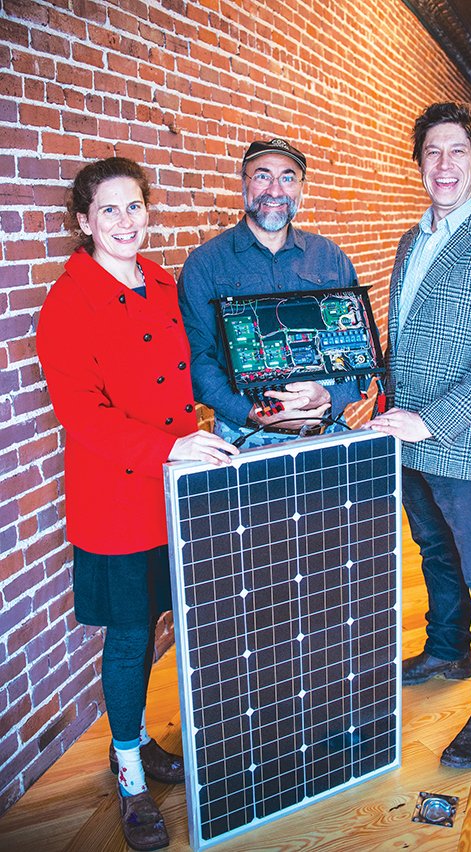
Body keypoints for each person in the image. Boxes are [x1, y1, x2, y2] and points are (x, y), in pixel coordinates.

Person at [36, 157, 238, 851]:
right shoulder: (68, 302)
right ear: (85, 222)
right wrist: (172, 448)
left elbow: (185, 376)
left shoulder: (160, 281)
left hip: (176, 494)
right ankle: (127, 770)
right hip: (117, 500)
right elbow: (82, 416)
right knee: (129, 638)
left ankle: (149, 739)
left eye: (135, 208)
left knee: (173, 627)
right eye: (110, 210)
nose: (126, 222)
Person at [369, 102, 471, 768]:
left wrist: (430, 419)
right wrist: (378, 395)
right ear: (420, 162)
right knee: (434, 551)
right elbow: (403, 338)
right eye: (432, 152)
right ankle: (447, 647)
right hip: (404, 436)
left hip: (459, 440)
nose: (443, 165)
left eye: (456, 152)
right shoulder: (413, 239)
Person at [178, 137, 361, 447]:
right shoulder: (205, 264)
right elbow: (196, 358)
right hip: (244, 437)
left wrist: (331, 395)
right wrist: (251, 411)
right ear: (244, 183)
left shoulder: (330, 258)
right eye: (263, 175)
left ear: (301, 188)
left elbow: (359, 345)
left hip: (327, 433)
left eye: (288, 177)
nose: (275, 190)